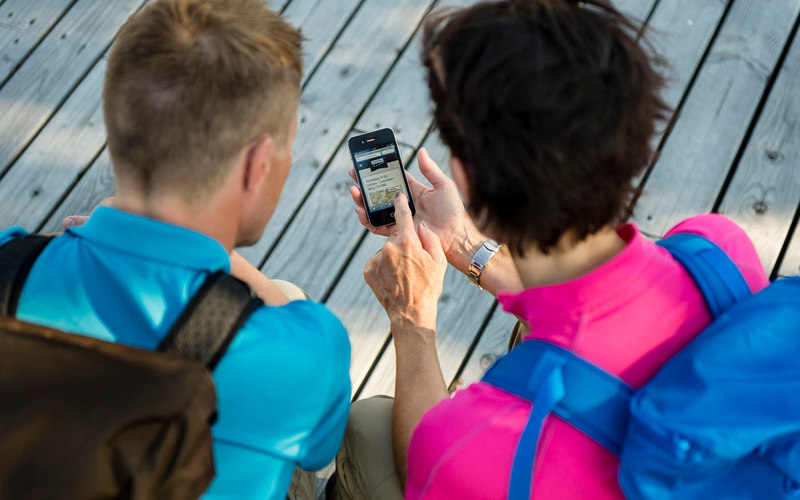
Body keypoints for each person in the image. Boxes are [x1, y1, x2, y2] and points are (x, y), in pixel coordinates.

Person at [334, 0, 769, 499]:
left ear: (467, 180)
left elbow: (424, 466)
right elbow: (598, 308)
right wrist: (467, 246)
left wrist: (412, 321)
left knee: (368, 424)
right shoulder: (717, 249)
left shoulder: (467, 442)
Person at [0, 0, 351, 498]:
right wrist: (241, 271)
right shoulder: (304, 349)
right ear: (257, 167)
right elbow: (319, 449)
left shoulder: (9, 268)